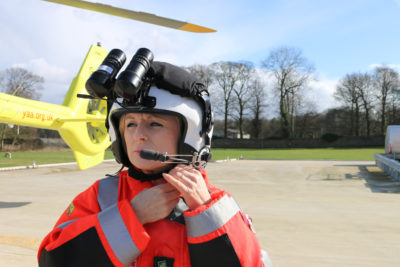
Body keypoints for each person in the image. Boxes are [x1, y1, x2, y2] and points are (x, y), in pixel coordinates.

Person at [37, 59, 267, 266]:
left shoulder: (216, 204)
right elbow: (53, 259)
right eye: (130, 124)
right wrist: (132, 216)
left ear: (191, 135)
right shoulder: (102, 196)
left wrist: (206, 213)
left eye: (155, 124)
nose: (139, 135)